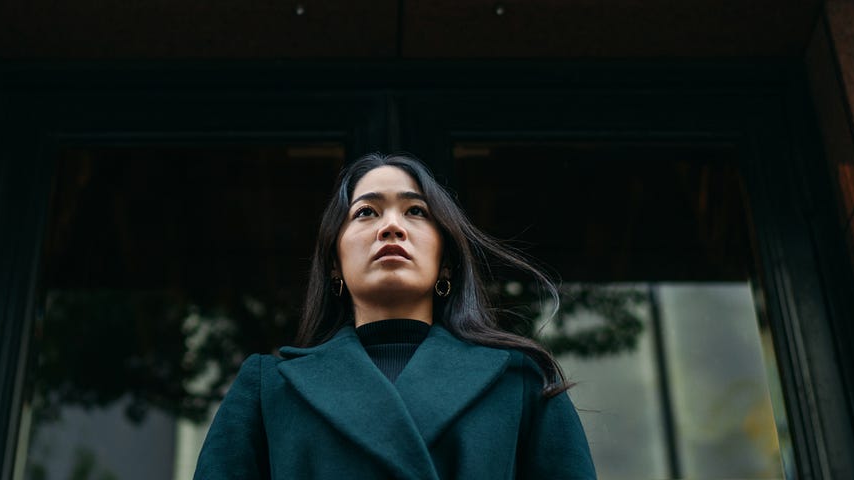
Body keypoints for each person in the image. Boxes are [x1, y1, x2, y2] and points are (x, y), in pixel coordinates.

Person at [193, 153, 596, 479]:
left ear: (446, 262)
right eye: (366, 212)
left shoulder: (521, 384)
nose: (391, 227)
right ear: (334, 263)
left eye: (416, 211)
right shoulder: (268, 390)